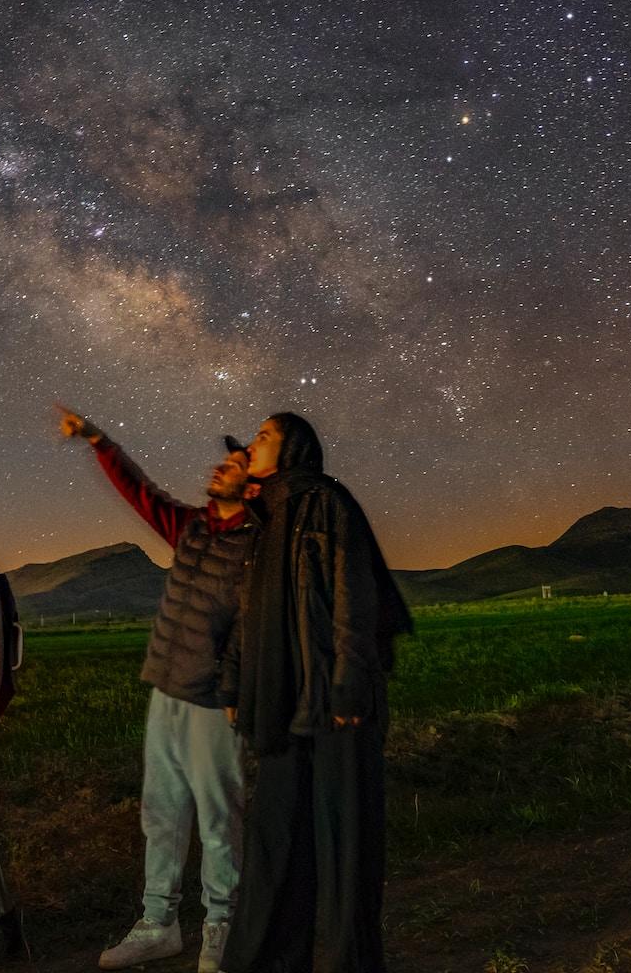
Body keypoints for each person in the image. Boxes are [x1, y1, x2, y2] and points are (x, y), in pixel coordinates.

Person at [58, 406, 257, 973]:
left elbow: (252, 627)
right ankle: (158, 925)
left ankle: (221, 927)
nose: (220, 468)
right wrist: (99, 440)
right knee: (161, 813)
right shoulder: (193, 526)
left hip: (214, 700)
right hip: (165, 689)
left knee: (219, 817)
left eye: (235, 464)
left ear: (255, 482)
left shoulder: (257, 545)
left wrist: (236, 689)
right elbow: (139, 491)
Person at [220, 412, 412, 973]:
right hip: (282, 705)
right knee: (274, 843)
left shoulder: (327, 503)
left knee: (345, 848)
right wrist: (235, 680)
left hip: (333, 703)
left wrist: (351, 685)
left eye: (263, 435)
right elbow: (246, 612)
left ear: (292, 447)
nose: (252, 444)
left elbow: (356, 593)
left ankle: (351, 963)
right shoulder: (263, 519)